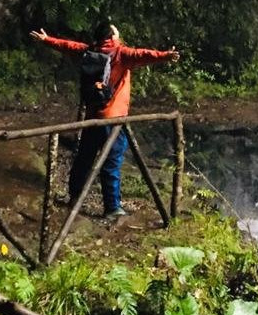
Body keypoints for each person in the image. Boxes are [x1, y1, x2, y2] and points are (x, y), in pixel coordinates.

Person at [30, 20, 179, 217]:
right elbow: (143, 54)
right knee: (112, 161)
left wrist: (46, 39)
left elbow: (68, 46)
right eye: (116, 33)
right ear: (111, 37)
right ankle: (112, 207)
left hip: (93, 117)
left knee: (84, 157)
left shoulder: (88, 51)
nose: (118, 35)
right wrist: (166, 56)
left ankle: (74, 196)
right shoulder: (121, 53)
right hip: (113, 120)